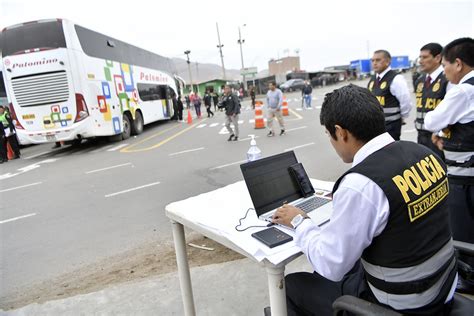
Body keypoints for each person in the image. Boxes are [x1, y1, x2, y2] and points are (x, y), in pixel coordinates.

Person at [272, 84, 456, 315]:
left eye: (330, 135)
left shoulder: (361, 184)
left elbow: (331, 265)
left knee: (292, 286)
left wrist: (300, 222)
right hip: (442, 283)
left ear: (341, 132)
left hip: (404, 303)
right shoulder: (424, 154)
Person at [424, 37, 474, 293]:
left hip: (464, 179)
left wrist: (443, 127)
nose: (444, 71)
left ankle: (468, 278)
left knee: (463, 229)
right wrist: (449, 134)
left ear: (458, 63)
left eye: (445, 65)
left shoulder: (464, 90)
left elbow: (432, 120)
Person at [368, 50, 412, 140]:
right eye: (372, 61)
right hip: (375, 127)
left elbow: (405, 101)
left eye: (378, 60)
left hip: (391, 126)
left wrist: (402, 117)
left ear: (387, 61)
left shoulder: (396, 79)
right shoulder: (373, 79)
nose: (374, 63)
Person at [414, 43, 449, 159]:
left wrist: (440, 134)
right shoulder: (420, 80)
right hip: (421, 136)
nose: (420, 61)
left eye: (424, 57)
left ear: (438, 58)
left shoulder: (447, 79)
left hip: (438, 138)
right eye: (420, 57)